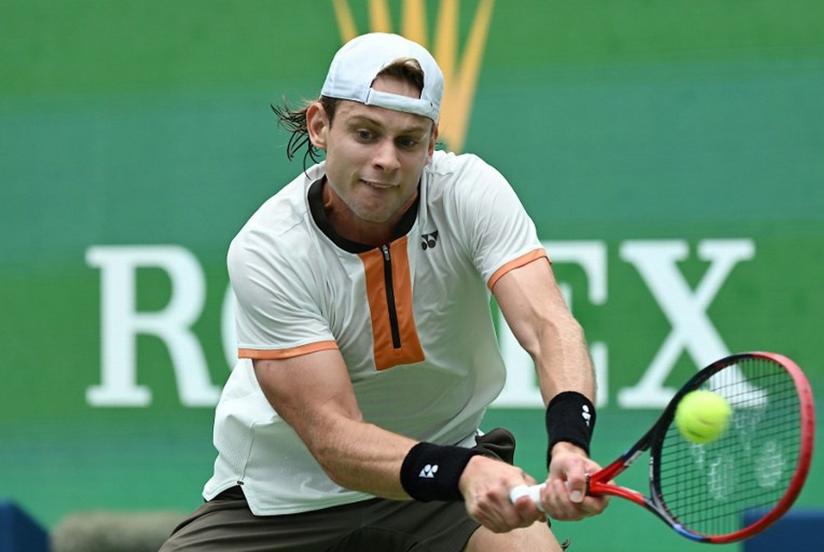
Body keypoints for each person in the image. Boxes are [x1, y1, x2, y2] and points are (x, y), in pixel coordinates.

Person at [161, 32, 608, 552]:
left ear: (433, 140)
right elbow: (335, 439)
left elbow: (550, 327)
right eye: (366, 133)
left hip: (442, 485)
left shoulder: (471, 193)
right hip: (285, 499)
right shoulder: (269, 249)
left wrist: (570, 445)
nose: (386, 160)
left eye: (408, 141)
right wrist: (464, 471)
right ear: (320, 126)